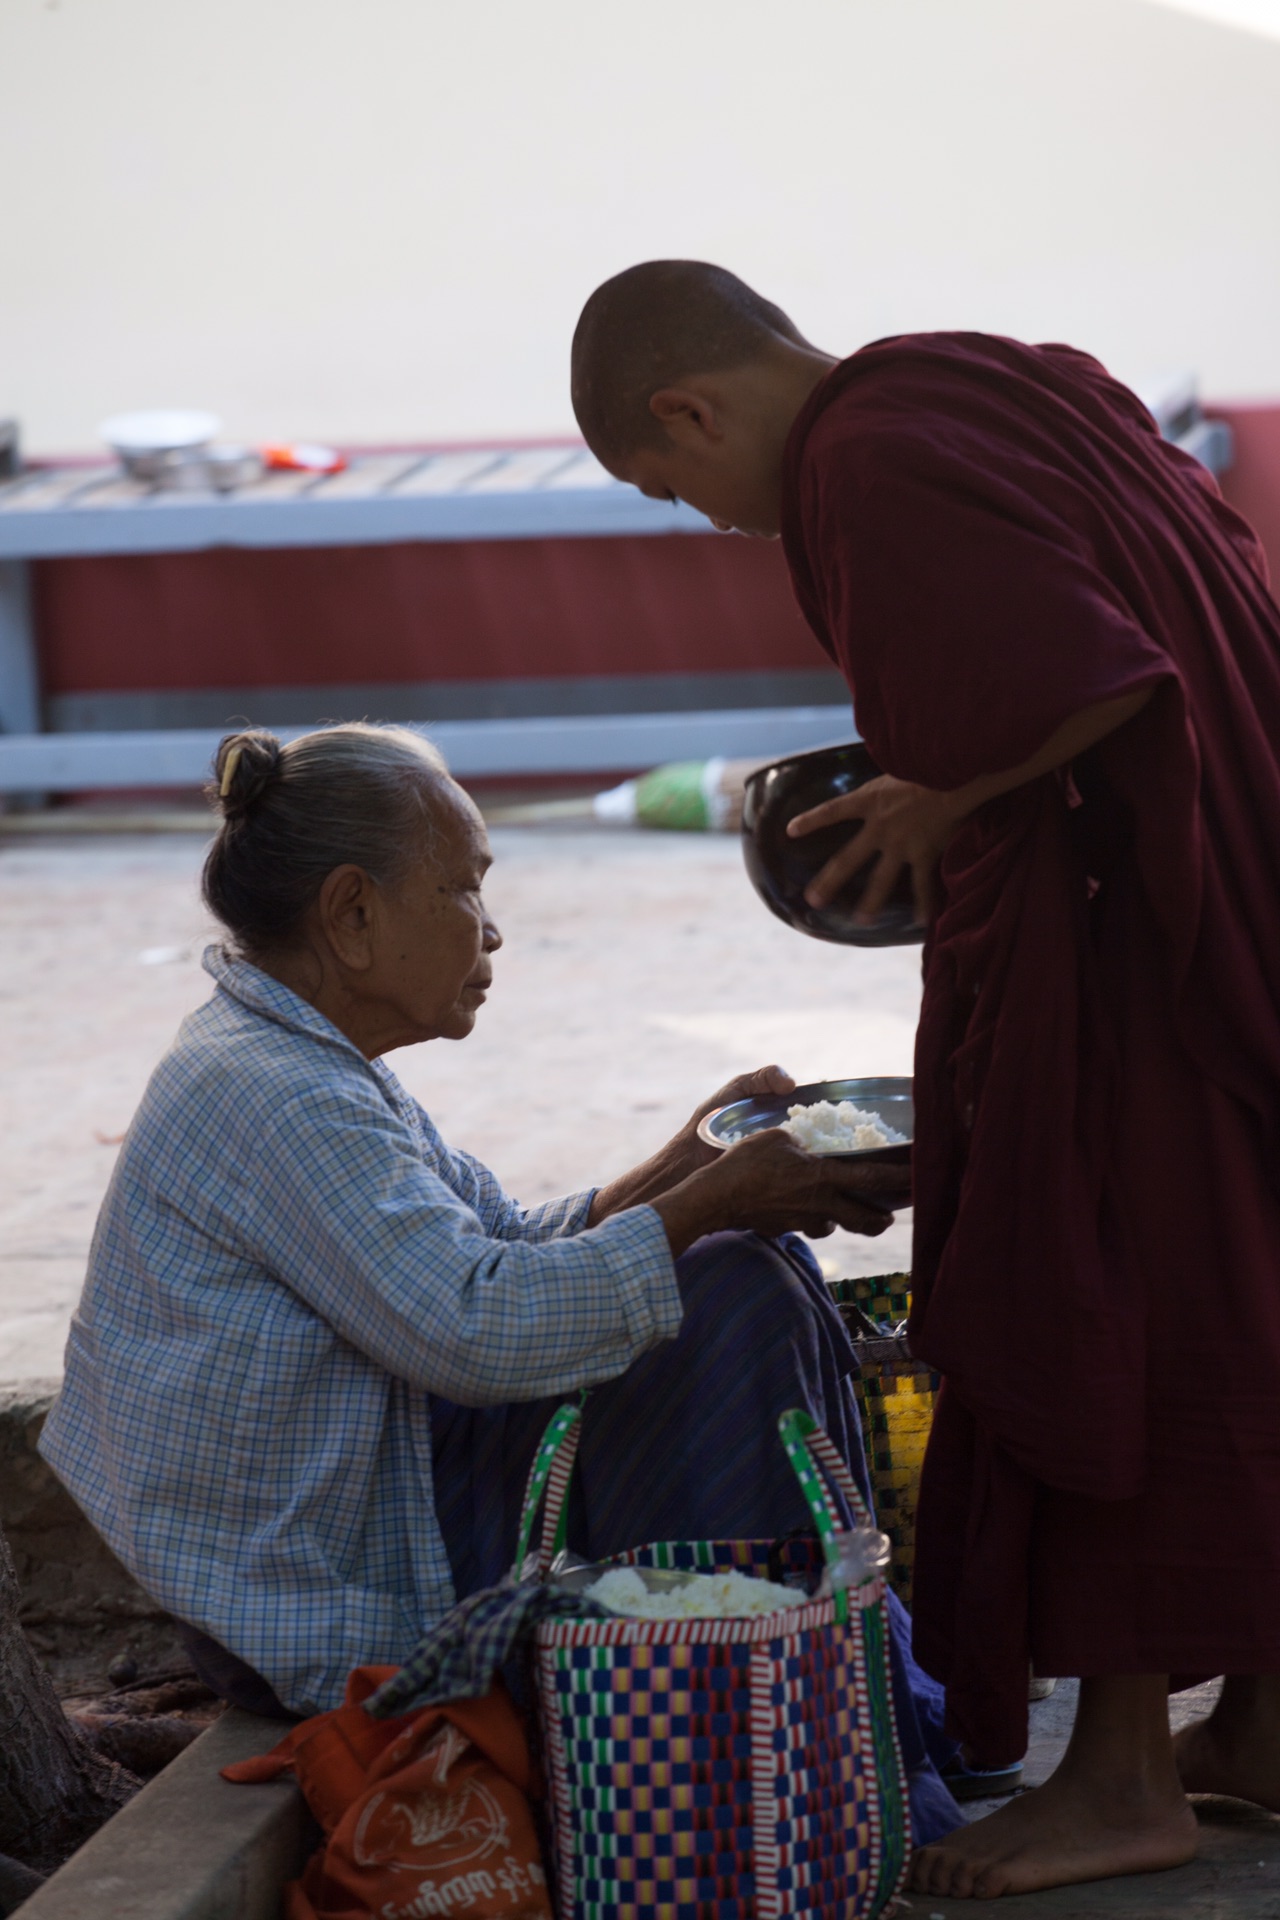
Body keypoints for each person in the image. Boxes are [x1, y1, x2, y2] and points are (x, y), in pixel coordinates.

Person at [569, 260, 1280, 1900]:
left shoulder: (865, 466)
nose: (707, 520)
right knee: (1228, 1298)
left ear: (690, 407)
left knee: (1088, 1308)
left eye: (674, 487)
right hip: (1212, 898)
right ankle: (1256, 1723)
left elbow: (1101, 673)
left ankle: (1116, 1778)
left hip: (1122, 960)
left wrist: (944, 795)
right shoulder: (989, 373)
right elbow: (1187, 580)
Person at [39, 721, 963, 1844]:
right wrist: (710, 1205)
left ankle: (830, 1728)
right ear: (353, 914)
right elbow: (480, 1329)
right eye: (463, 889)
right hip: (316, 1594)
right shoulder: (276, 1094)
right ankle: (796, 1763)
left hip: (377, 1493)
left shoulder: (294, 1057)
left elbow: (496, 1246)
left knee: (744, 1264)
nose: (493, 930)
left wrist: (690, 1163)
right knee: (735, 1297)